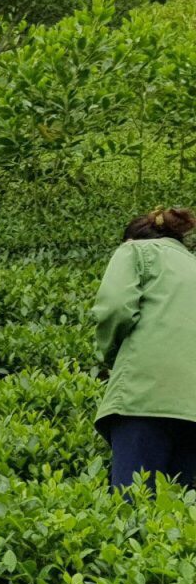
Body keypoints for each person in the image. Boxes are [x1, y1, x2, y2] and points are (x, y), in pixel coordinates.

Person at [93, 207, 196, 490]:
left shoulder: (134, 251)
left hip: (143, 393)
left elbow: (115, 307)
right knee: (175, 506)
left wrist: (109, 354)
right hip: (192, 408)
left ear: (131, 239)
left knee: (131, 503)